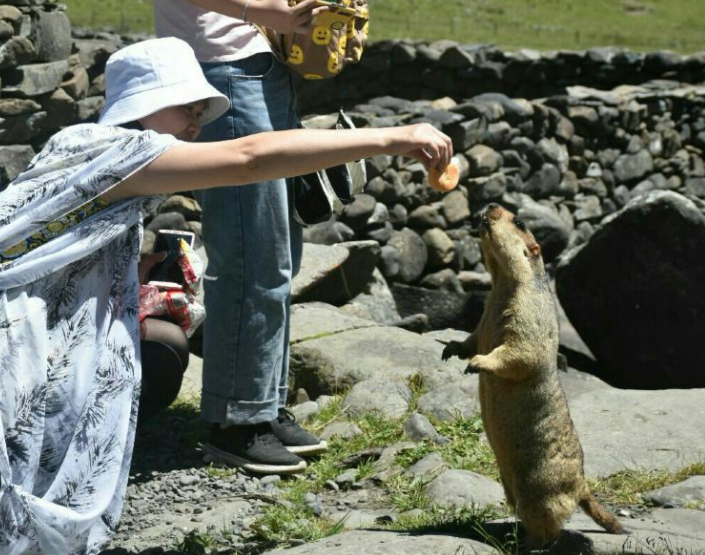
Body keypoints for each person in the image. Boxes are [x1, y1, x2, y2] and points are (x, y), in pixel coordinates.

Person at [0, 37, 451, 553]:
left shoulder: (74, 143)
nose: (196, 121)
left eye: (200, 109)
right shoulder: (130, 151)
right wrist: (393, 138)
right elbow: (248, 156)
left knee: (159, 345)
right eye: (186, 107)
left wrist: (139, 273)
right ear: (144, 105)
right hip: (18, 333)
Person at [152, 0, 342, 474]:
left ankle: (264, 405)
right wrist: (264, 11)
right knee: (251, 250)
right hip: (224, 70)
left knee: (280, 252)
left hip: (266, 66)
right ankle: (236, 422)